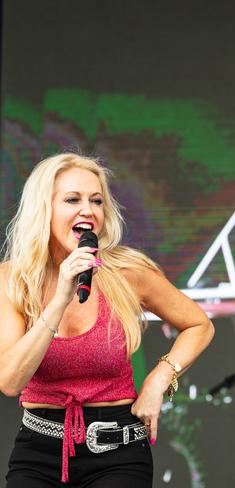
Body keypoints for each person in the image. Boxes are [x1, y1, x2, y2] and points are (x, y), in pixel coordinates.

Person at [0, 153, 215, 486]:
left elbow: (199, 325)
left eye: (96, 201)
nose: (88, 210)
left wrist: (159, 380)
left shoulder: (127, 272)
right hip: (38, 453)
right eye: (73, 199)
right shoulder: (12, 279)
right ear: (45, 209)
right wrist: (60, 298)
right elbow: (10, 381)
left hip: (118, 454)